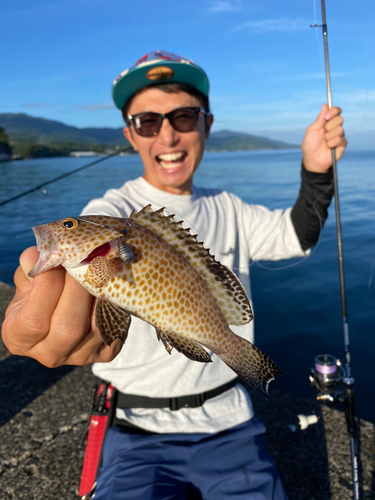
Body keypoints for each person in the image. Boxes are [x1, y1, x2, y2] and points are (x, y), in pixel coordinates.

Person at [2, 50, 347, 499]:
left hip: (232, 423)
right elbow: (82, 299)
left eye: (183, 117)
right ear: (130, 134)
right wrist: (34, 316)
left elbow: (298, 235)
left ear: (206, 124)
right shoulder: (107, 215)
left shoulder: (229, 206)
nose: (167, 135)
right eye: (147, 122)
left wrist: (316, 171)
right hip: (133, 429)